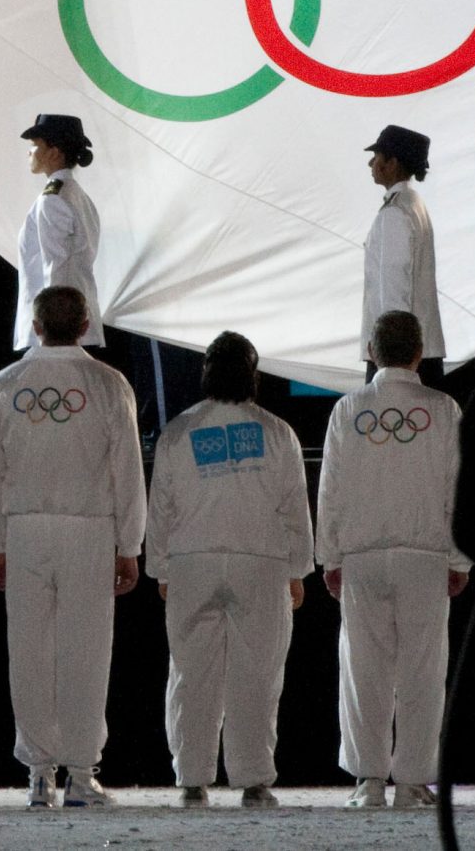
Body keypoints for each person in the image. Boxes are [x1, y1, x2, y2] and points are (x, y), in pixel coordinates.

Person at [0, 285, 144, 808]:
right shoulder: (108, 384)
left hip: (27, 530)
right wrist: (129, 544)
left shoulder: (7, 383)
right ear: (86, 322)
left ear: (36, 323)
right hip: (88, 529)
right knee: (86, 649)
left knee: (28, 648)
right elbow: (127, 470)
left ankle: (40, 773)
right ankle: (79, 772)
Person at [147, 330, 313, 809]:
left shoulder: (179, 431)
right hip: (259, 562)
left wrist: (161, 567)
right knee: (257, 675)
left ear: (206, 375)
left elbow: (162, 510)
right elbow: (294, 510)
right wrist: (297, 570)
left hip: (193, 563)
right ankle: (254, 779)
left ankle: (193, 777)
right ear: (253, 375)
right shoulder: (278, 433)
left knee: (190, 673)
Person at [318, 310, 470, 809]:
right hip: (424, 557)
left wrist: (330, 557)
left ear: (370, 352)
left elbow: (331, 489)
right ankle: (408, 781)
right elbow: (458, 487)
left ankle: (369, 782)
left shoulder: (348, 409)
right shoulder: (443, 410)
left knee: (364, 670)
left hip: (363, 556)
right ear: (419, 353)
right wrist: (459, 559)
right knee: (423, 671)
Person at [361, 125, 444, 385]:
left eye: (377, 156)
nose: (371, 163)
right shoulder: (413, 204)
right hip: (416, 350)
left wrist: (391, 356)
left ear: (393, 163)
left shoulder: (394, 213)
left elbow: (394, 286)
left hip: (399, 356)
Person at [13, 114, 103, 350]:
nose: (29, 151)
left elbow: (56, 269)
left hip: (58, 333)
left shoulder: (53, 199)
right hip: (75, 326)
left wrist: (53, 332)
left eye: (35, 145)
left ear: (54, 152)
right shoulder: (77, 194)